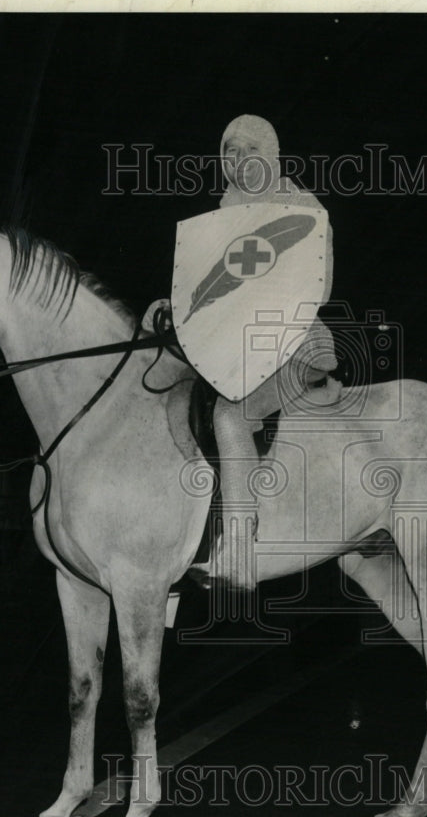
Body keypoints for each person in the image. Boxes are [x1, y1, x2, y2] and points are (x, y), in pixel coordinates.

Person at [146, 114, 341, 587]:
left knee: (230, 418)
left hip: (297, 342)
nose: (237, 161)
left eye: (248, 150)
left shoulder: (299, 204)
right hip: (243, 350)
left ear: (269, 154)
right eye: (229, 152)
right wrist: (172, 305)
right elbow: (211, 292)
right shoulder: (223, 217)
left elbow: (316, 283)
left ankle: (239, 547)